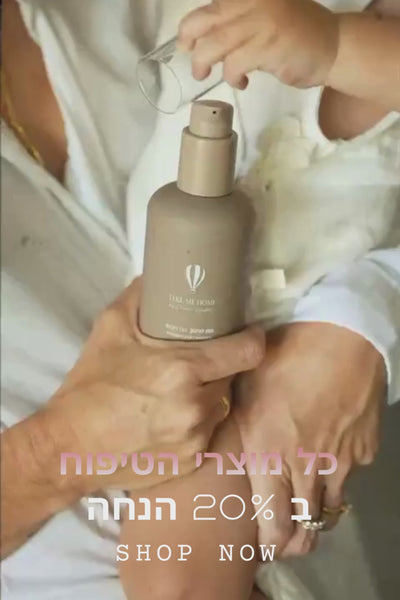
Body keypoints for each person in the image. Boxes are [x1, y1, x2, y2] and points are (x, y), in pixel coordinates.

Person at [1, 0, 399, 599]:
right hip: (199, 405)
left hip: (255, 350)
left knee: (174, 576)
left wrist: (363, 317)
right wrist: (56, 451)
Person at [121, 0, 399, 599]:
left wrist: (335, 46)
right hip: (168, 318)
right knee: (170, 563)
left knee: (176, 576)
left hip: (281, 331)